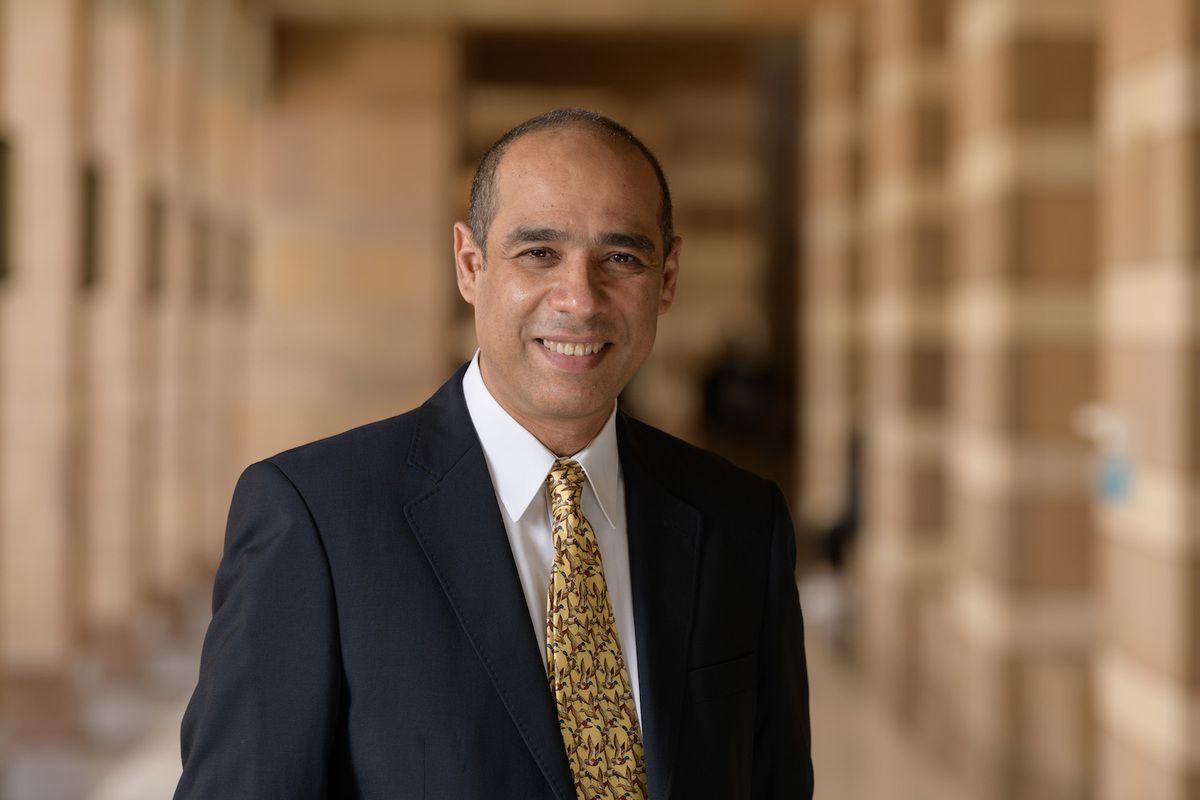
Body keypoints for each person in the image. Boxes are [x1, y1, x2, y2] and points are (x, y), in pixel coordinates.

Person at [174, 108, 813, 799]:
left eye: (621, 257)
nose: (580, 298)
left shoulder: (743, 523)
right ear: (470, 264)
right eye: (538, 253)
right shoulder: (316, 521)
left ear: (667, 277)